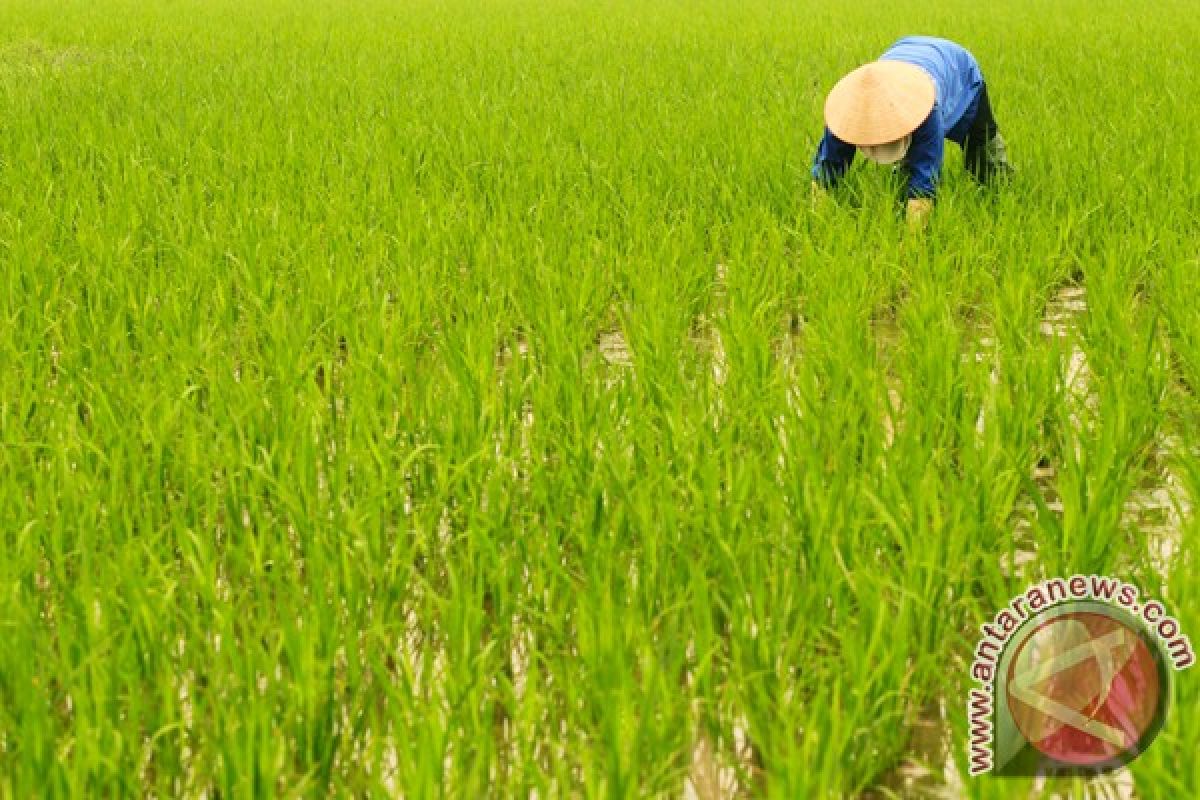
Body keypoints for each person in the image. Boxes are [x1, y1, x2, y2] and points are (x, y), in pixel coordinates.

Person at [810, 36, 1012, 228]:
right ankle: (901, 196)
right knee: (903, 179)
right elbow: (827, 169)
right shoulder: (846, 115)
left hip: (957, 68)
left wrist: (912, 246)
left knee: (984, 150)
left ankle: (1004, 199)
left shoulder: (927, 112)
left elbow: (925, 184)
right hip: (903, 55)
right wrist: (816, 221)